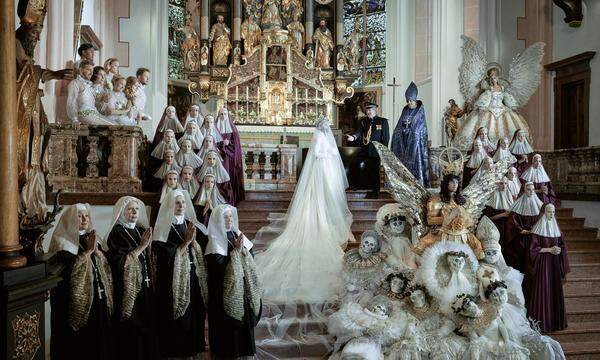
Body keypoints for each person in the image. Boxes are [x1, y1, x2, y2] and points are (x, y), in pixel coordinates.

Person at [254, 117, 354, 302]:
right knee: (315, 200)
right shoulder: (322, 140)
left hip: (322, 175)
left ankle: (320, 220)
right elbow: (320, 155)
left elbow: (323, 155)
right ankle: (316, 221)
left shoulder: (319, 139)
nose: (324, 129)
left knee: (321, 201)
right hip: (318, 175)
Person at [49, 204, 115, 360]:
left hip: (98, 302)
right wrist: (87, 252)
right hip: (76, 304)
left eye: (86, 216)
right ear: (71, 219)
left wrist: (97, 253)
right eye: (79, 216)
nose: (85, 219)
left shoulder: (92, 238)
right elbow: (65, 272)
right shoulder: (62, 242)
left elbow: (105, 266)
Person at [152, 190, 209, 358]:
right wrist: (184, 244)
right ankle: (176, 350)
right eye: (177, 203)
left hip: (192, 276)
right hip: (173, 280)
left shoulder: (189, 223)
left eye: (183, 203)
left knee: (195, 311)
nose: (181, 206)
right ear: (170, 205)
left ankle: (195, 347)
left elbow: (200, 247)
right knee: (179, 315)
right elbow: (162, 254)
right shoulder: (164, 226)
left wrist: (193, 244)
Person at [105, 196, 159, 360]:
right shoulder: (117, 232)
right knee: (132, 325)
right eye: (130, 209)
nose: (134, 212)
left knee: (148, 322)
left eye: (137, 209)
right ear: (122, 212)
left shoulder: (140, 230)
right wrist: (142, 246)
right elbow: (120, 263)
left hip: (146, 286)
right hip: (128, 288)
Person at [205, 204, 261, 359]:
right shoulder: (214, 240)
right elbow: (217, 267)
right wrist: (236, 252)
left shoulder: (237, 233)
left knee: (243, 330)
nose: (229, 220)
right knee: (227, 335)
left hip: (240, 292)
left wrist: (241, 252)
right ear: (218, 220)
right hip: (222, 294)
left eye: (230, 216)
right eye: (225, 217)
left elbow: (250, 255)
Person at [526, 204, 570, 333]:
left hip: (554, 264)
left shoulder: (556, 228)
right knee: (542, 289)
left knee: (553, 290)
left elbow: (562, 244)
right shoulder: (537, 229)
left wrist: (559, 249)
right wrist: (549, 249)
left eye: (553, 212)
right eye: (549, 212)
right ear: (544, 212)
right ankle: (541, 324)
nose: (551, 214)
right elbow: (532, 249)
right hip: (542, 264)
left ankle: (554, 323)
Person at [346, 102, 389, 198]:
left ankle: (375, 192)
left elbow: (385, 138)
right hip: (364, 150)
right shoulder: (363, 121)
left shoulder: (382, 121)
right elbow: (358, 132)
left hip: (375, 151)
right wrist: (353, 137)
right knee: (356, 164)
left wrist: (383, 152)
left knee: (374, 171)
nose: (368, 112)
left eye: (370, 110)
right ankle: (357, 186)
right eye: (367, 110)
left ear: (375, 110)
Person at [391, 82, 430, 187]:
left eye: (411, 101)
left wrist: (412, 133)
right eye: (408, 101)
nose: (409, 103)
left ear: (415, 99)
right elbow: (399, 126)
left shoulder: (420, 112)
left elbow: (421, 129)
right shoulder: (405, 110)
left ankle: (418, 185)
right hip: (404, 142)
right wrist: (400, 132)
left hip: (416, 147)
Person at [505, 182, 543, 273]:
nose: (531, 192)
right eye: (529, 189)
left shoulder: (539, 206)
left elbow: (542, 222)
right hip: (520, 238)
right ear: (524, 190)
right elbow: (512, 222)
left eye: (533, 190)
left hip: (534, 238)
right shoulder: (518, 205)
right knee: (520, 262)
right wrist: (521, 230)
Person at [66, 59, 114, 125]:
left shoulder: (90, 85)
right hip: (84, 116)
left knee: (116, 125)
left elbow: (94, 104)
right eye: (88, 70)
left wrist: (103, 100)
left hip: (94, 114)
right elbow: (71, 102)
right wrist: (75, 119)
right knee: (114, 127)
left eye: (92, 70)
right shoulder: (75, 83)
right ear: (80, 70)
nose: (91, 73)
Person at [216, 107, 245, 205]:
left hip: (229, 158)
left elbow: (236, 145)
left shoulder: (233, 129)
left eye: (225, 114)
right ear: (218, 115)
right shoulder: (215, 127)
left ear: (228, 115)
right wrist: (220, 145)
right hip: (218, 157)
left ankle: (231, 200)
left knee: (229, 175)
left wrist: (228, 143)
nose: (223, 116)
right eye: (221, 114)